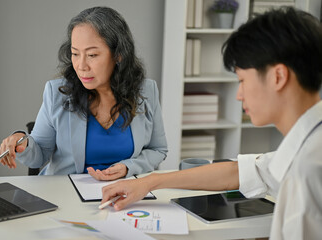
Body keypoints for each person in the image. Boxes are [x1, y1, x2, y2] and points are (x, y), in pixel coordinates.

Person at [101, 7, 322, 239]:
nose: (238, 94)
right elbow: (239, 172)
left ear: (278, 76)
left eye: (243, 80)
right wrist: (150, 182)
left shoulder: (307, 170)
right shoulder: (307, 147)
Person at [0, 6, 167, 180]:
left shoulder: (146, 91)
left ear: (118, 55)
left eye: (92, 55)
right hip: (68, 194)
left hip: (124, 193)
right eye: (75, 54)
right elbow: (39, 155)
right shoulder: (57, 93)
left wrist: (128, 168)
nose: (81, 65)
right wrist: (22, 142)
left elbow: (158, 149)